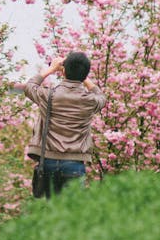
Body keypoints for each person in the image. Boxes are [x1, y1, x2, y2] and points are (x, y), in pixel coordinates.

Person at [16, 52, 106, 199]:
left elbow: (29, 86)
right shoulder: (90, 100)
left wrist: (51, 69)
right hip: (74, 163)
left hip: (48, 162)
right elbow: (102, 96)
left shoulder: (49, 96)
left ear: (63, 71)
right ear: (85, 75)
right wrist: (84, 77)